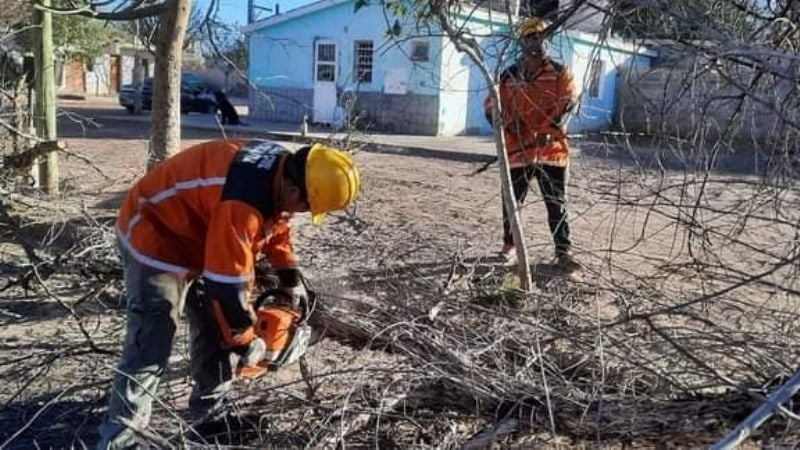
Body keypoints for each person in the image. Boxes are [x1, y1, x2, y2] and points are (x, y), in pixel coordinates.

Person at [97, 139, 360, 448]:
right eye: (307, 207)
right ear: (294, 191)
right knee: (151, 344)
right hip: (155, 235)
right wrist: (247, 341)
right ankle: (119, 439)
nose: (303, 212)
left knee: (213, 328)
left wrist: (289, 275)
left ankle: (209, 419)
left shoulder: (283, 170)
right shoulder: (243, 203)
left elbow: (277, 224)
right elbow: (226, 284)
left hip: (199, 235)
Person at [483, 16, 582, 277]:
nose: (538, 43)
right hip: (517, 152)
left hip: (552, 152)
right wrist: (507, 124)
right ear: (522, 43)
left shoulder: (561, 73)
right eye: (531, 38)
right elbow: (491, 106)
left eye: (541, 38)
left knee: (556, 202)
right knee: (511, 202)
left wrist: (550, 132)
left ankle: (563, 252)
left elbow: (569, 103)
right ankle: (509, 247)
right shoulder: (508, 76)